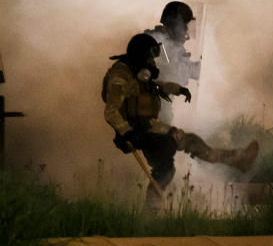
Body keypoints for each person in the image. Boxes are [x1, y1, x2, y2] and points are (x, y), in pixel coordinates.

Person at [103, 33, 258, 207]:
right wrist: (128, 133)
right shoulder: (120, 76)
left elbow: (154, 86)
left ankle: (237, 159)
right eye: (150, 56)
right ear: (141, 56)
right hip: (138, 131)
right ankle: (151, 211)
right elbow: (111, 111)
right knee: (165, 168)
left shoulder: (138, 73)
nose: (153, 61)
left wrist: (177, 89)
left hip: (149, 126)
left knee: (182, 148)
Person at [146, 1, 201, 123]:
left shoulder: (171, 43)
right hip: (153, 102)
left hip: (164, 98)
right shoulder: (156, 41)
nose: (187, 30)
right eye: (185, 25)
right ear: (176, 24)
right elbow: (170, 70)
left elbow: (179, 66)